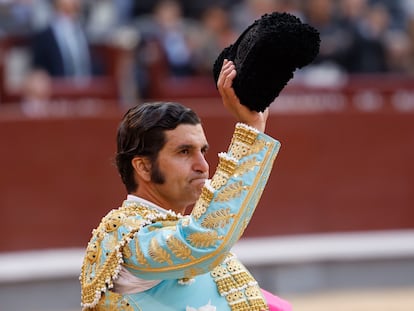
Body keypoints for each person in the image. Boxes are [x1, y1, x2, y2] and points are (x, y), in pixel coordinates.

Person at [79, 59, 291, 311]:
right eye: (184, 152)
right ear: (144, 167)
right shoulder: (125, 239)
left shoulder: (188, 241)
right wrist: (251, 132)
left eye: (203, 151)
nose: (203, 165)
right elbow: (203, 240)